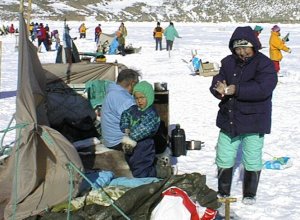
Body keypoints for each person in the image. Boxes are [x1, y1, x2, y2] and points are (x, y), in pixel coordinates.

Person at [210, 26, 277, 205]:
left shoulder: (264, 63)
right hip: (229, 117)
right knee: (224, 154)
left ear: (254, 46)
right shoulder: (227, 62)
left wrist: (236, 89)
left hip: (255, 119)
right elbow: (217, 80)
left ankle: (249, 193)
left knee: (252, 155)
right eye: (237, 48)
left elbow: (264, 88)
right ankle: (223, 191)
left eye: (245, 48)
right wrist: (218, 90)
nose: (242, 52)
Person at [120, 81, 160, 178]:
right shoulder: (133, 109)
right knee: (133, 164)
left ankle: (147, 183)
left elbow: (143, 129)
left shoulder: (151, 113)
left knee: (142, 166)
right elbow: (125, 115)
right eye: (136, 98)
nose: (139, 101)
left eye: (142, 98)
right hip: (132, 145)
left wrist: (131, 138)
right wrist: (125, 127)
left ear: (149, 97)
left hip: (144, 146)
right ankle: (141, 180)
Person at [101, 69, 140, 149]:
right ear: (132, 84)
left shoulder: (112, 92)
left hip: (109, 139)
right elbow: (136, 122)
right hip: (118, 141)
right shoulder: (124, 99)